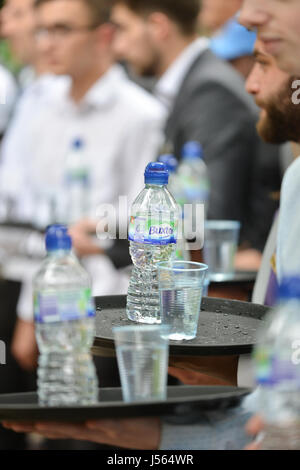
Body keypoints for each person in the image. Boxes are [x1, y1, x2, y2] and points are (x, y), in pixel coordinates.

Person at [5, 34, 300, 452]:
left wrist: (236, 371)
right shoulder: (295, 179)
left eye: (264, 64)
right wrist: (167, 432)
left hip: (136, 294)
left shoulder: (157, 106)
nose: (248, 84)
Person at [0, 0, 165, 383]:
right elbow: (18, 203)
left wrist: (98, 228)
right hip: (27, 275)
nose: (46, 44)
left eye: (61, 30)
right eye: (42, 30)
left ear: (104, 36)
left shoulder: (140, 114)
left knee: (86, 424)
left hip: (103, 298)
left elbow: (141, 216)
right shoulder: (38, 102)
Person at [110, 0, 281, 256]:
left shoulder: (210, 91)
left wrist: (112, 236)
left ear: (158, 26)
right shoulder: (194, 81)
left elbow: (205, 221)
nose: (118, 47)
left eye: (123, 29)